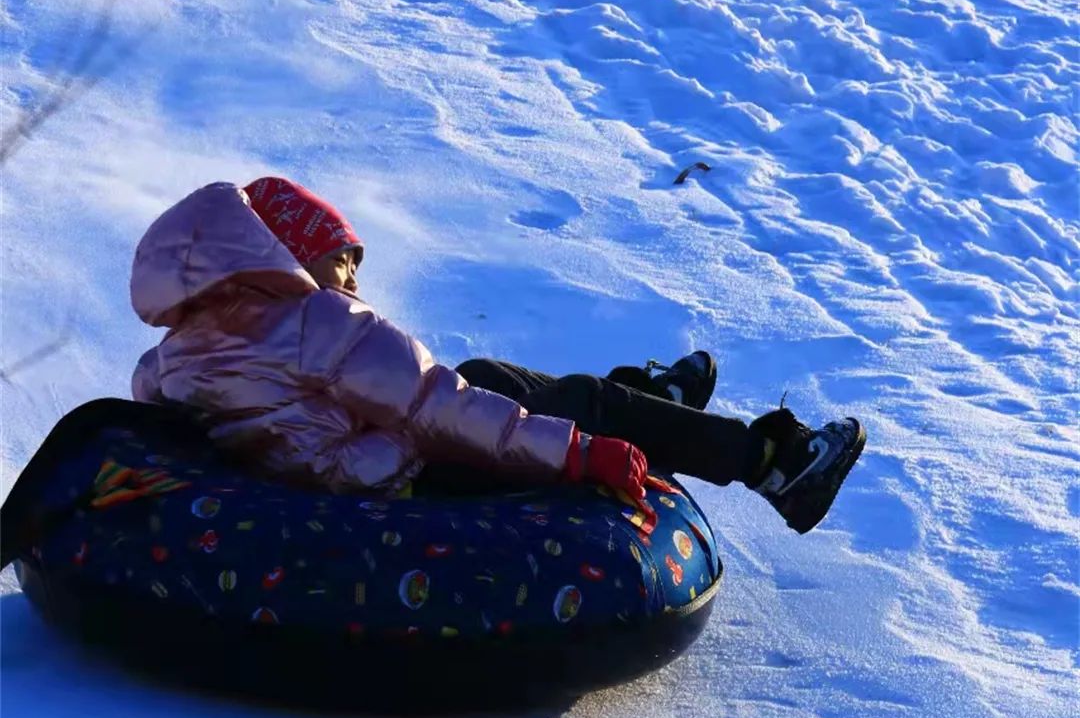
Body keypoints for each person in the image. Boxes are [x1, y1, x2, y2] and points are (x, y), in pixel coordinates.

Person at [130, 178, 865, 533]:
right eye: (340, 261)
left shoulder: (171, 359)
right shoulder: (317, 322)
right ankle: (769, 460)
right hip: (388, 492)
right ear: (285, 257)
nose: (353, 280)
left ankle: (651, 406)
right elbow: (440, 409)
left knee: (496, 384)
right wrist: (582, 457)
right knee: (509, 394)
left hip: (317, 492)